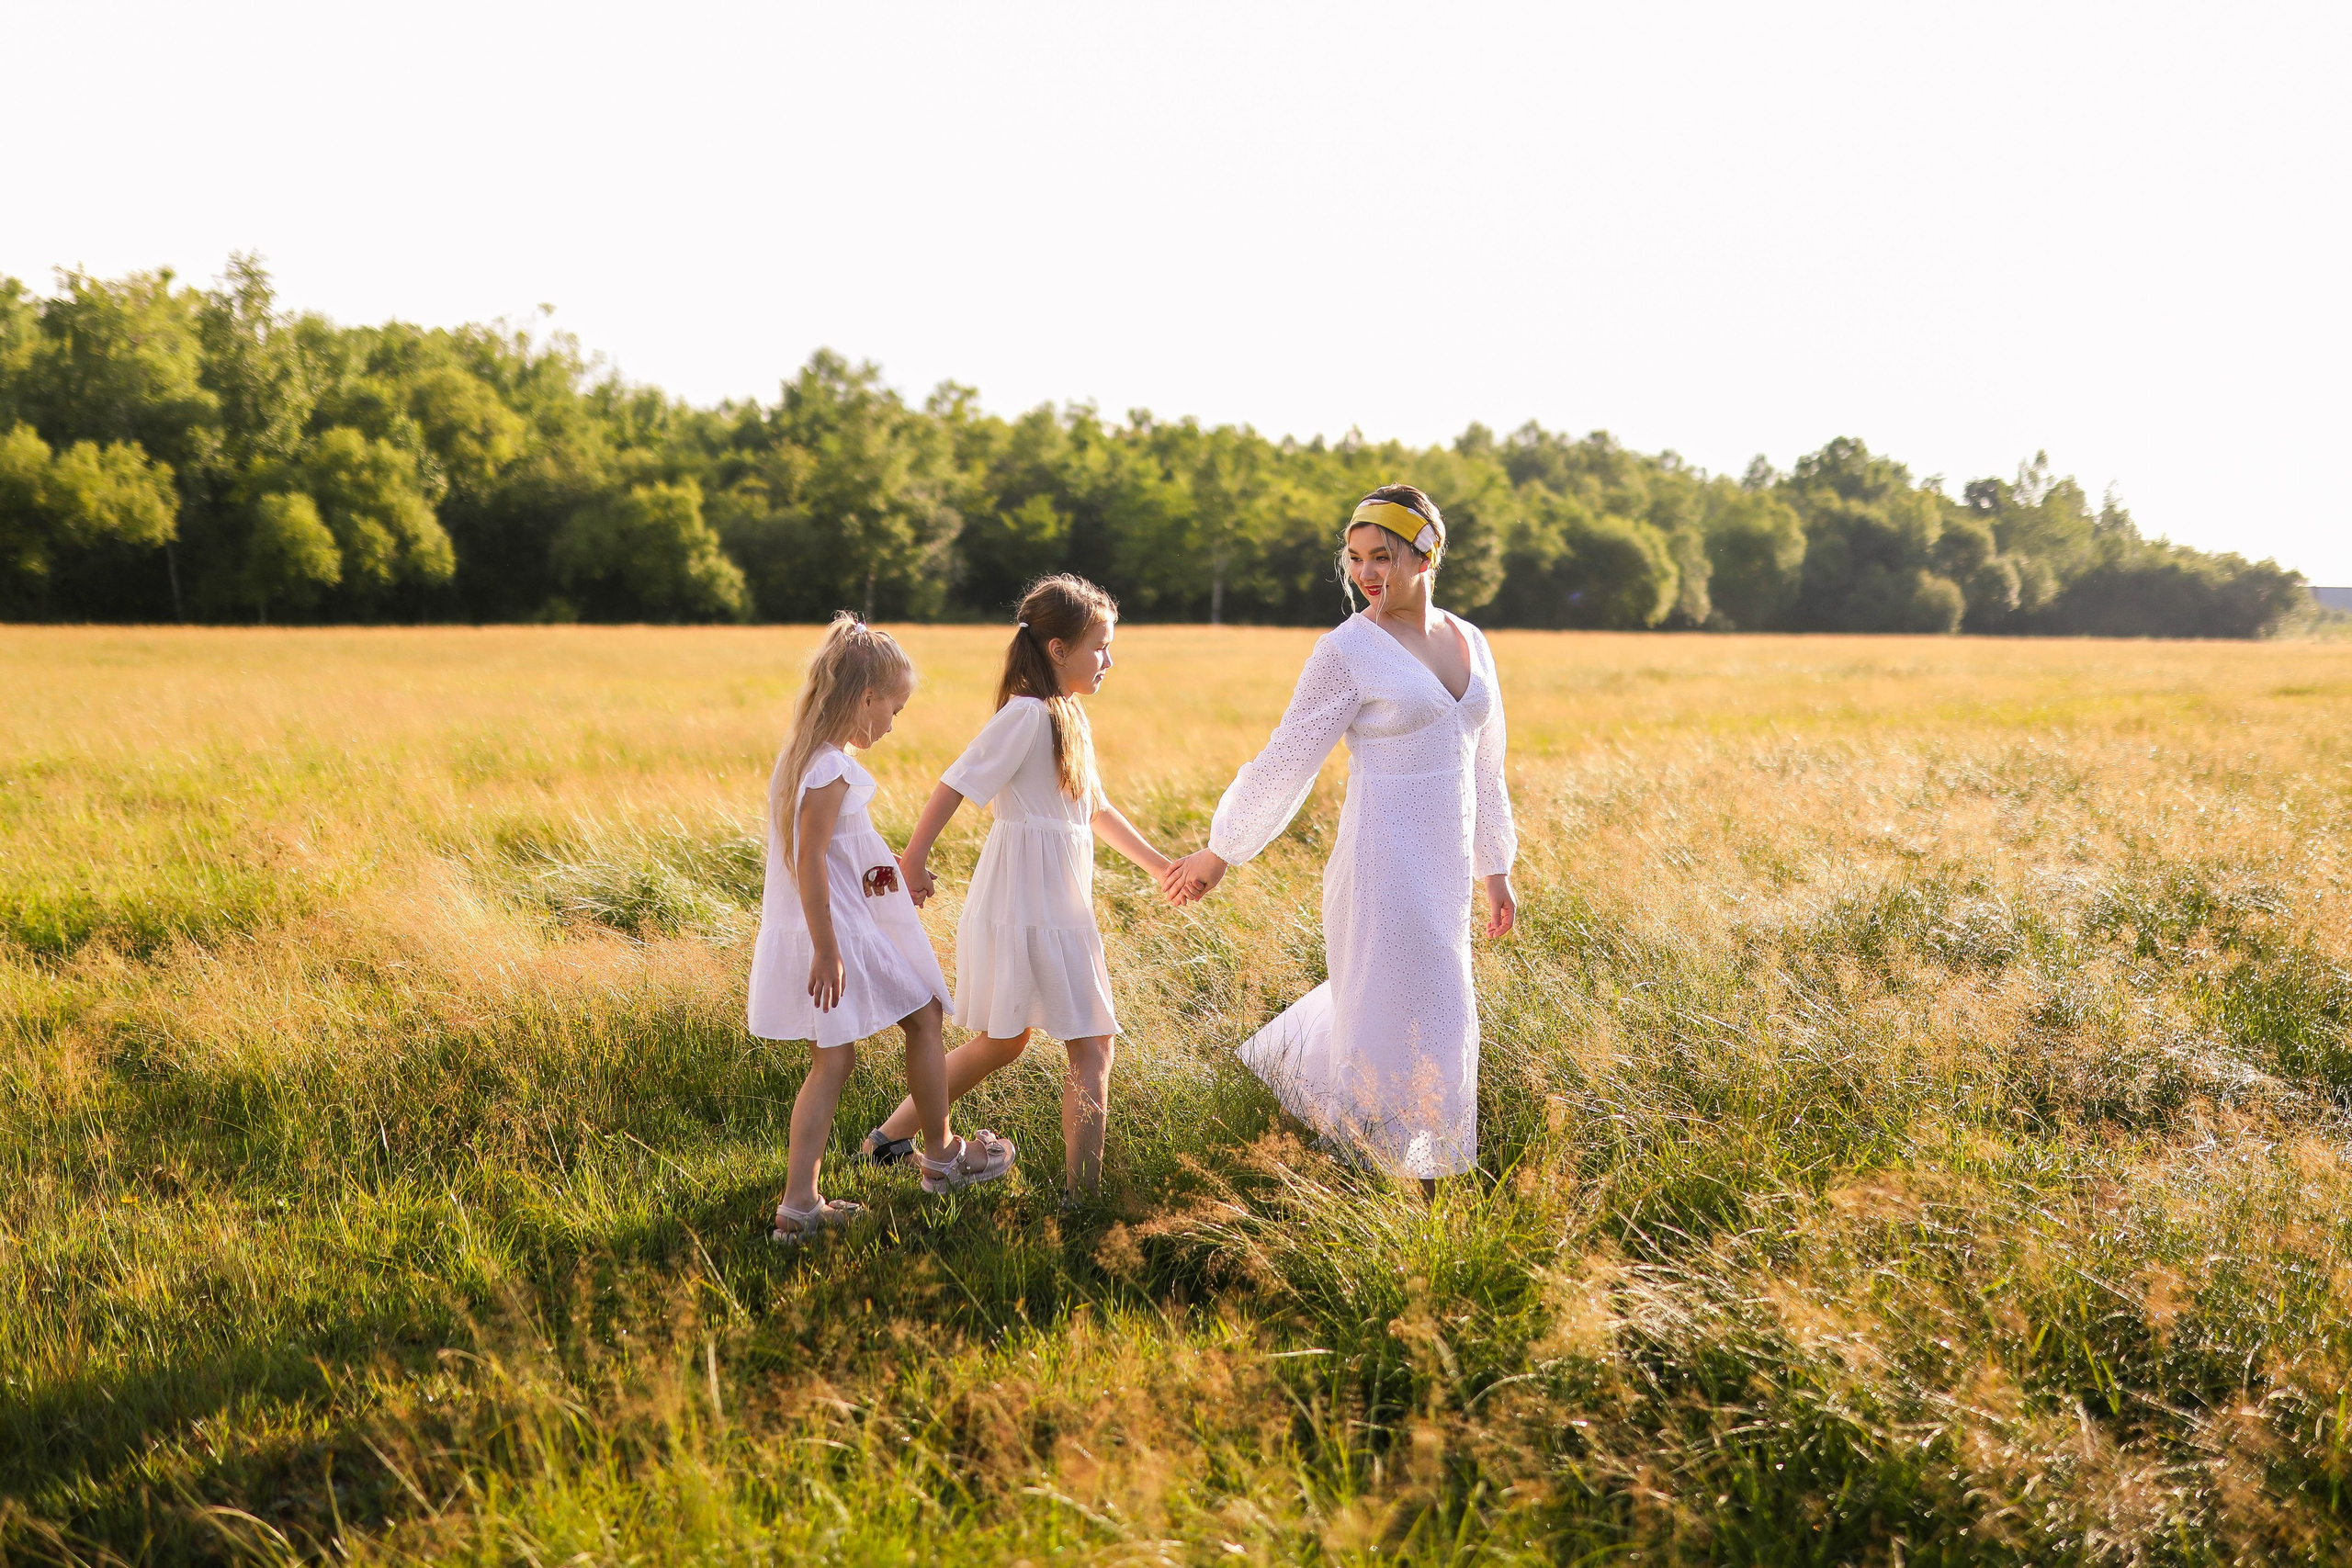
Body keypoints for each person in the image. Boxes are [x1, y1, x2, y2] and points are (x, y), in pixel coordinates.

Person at [1164, 485, 1519, 1192]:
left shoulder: (1470, 640)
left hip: (1445, 868)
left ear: (1428, 553)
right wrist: (1223, 847)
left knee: (1440, 1010)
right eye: (1355, 558)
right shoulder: (1347, 649)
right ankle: (1371, 1173)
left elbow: (1487, 760)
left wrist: (1496, 867)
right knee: (1393, 1010)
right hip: (1381, 863)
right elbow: (1288, 755)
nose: (1366, 574)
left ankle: (1425, 1163)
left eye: (1382, 556)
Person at [860, 574, 1177, 1198]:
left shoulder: (1067, 713)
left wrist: (1162, 865)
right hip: (1029, 903)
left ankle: (888, 1140)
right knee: (1092, 1043)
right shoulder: (1028, 714)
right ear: (1058, 649)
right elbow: (956, 781)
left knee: (1007, 1039)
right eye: (1099, 646)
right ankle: (1080, 1198)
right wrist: (913, 860)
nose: (1109, 660)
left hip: (1050, 902)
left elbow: (1095, 809)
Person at [748, 614, 1016, 1245]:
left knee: (833, 1060)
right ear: (865, 698)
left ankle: (800, 1206)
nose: (896, 720)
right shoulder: (831, 769)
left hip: (837, 923)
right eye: (894, 706)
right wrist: (827, 949)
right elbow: (808, 858)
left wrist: (889, 877)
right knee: (923, 1015)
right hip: (833, 933)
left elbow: (838, 852)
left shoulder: (809, 758)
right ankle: (942, 1157)